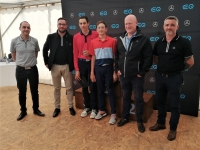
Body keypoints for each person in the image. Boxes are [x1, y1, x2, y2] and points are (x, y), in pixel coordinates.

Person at [149, 16, 194, 141]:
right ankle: (161, 123)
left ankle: (173, 129)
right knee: (161, 102)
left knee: (175, 105)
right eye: (167, 25)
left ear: (177, 27)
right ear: (163, 27)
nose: (169, 27)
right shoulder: (159, 42)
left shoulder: (184, 42)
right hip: (160, 77)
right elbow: (156, 59)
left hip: (175, 78)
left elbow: (190, 62)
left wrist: (177, 69)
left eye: (172, 25)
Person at [114, 15, 153, 132]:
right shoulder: (120, 38)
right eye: (126, 24)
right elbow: (117, 56)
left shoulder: (143, 39)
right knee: (125, 96)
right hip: (124, 76)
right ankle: (125, 117)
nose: (128, 26)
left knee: (138, 98)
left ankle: (139, 120)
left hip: (137, 76)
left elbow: (148, 58)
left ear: (136, 23)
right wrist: (117, 69)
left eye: (130, 23)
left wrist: (142, 72)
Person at [10, 21, 45, 121]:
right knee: (22, 92)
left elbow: (36, 54)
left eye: (28, 27)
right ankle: (23, 111)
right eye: (24, 27)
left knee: (34, 91)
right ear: (20, 28)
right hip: (20, 70)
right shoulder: (14, 41)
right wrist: (21, 63)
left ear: (30, 29)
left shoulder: (34, 41)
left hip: (33, 69)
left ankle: (36, 109)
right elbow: (13, 55)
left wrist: (29, 62)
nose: (26, 29)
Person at [43, 17, 76, 117]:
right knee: (56, 88)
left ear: (66, 25)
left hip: (67, 66)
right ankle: (57, 108)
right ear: (57, 25)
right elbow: (45, 50)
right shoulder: (51, 37)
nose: (62, 26)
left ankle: (71, 106)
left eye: (63, 24)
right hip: (55, 67)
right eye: (60, 24)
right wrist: (46, 62)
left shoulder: (71, 38)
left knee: (69, 88)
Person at [90, 20, 118, 124]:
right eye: (99, 28)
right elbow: (93, 57)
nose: (100, 29)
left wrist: (115, 71)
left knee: (110, 91)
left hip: (109, 68)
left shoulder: (112, 41)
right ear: (96, 30)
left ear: (106, 29)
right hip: (98, 68)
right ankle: (101, 111)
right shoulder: (93, 42)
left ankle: (114, 114)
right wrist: (92, 72)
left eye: (102, 27)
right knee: (100, 90)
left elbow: (115, 57)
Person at [73, 16, 98, 118]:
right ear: (79, 25)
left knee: (93, 87)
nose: (82, 25)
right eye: (80, 23)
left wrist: (90, 52)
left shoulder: (96, 34)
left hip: (92, 63)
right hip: (81, 63)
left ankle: (94, 108)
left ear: (88, 23)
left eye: (84, 23)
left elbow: (99, 49)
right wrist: (77, 70)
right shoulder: (75, 37)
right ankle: (87, 107)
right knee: (84, 87)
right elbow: (75, 54)